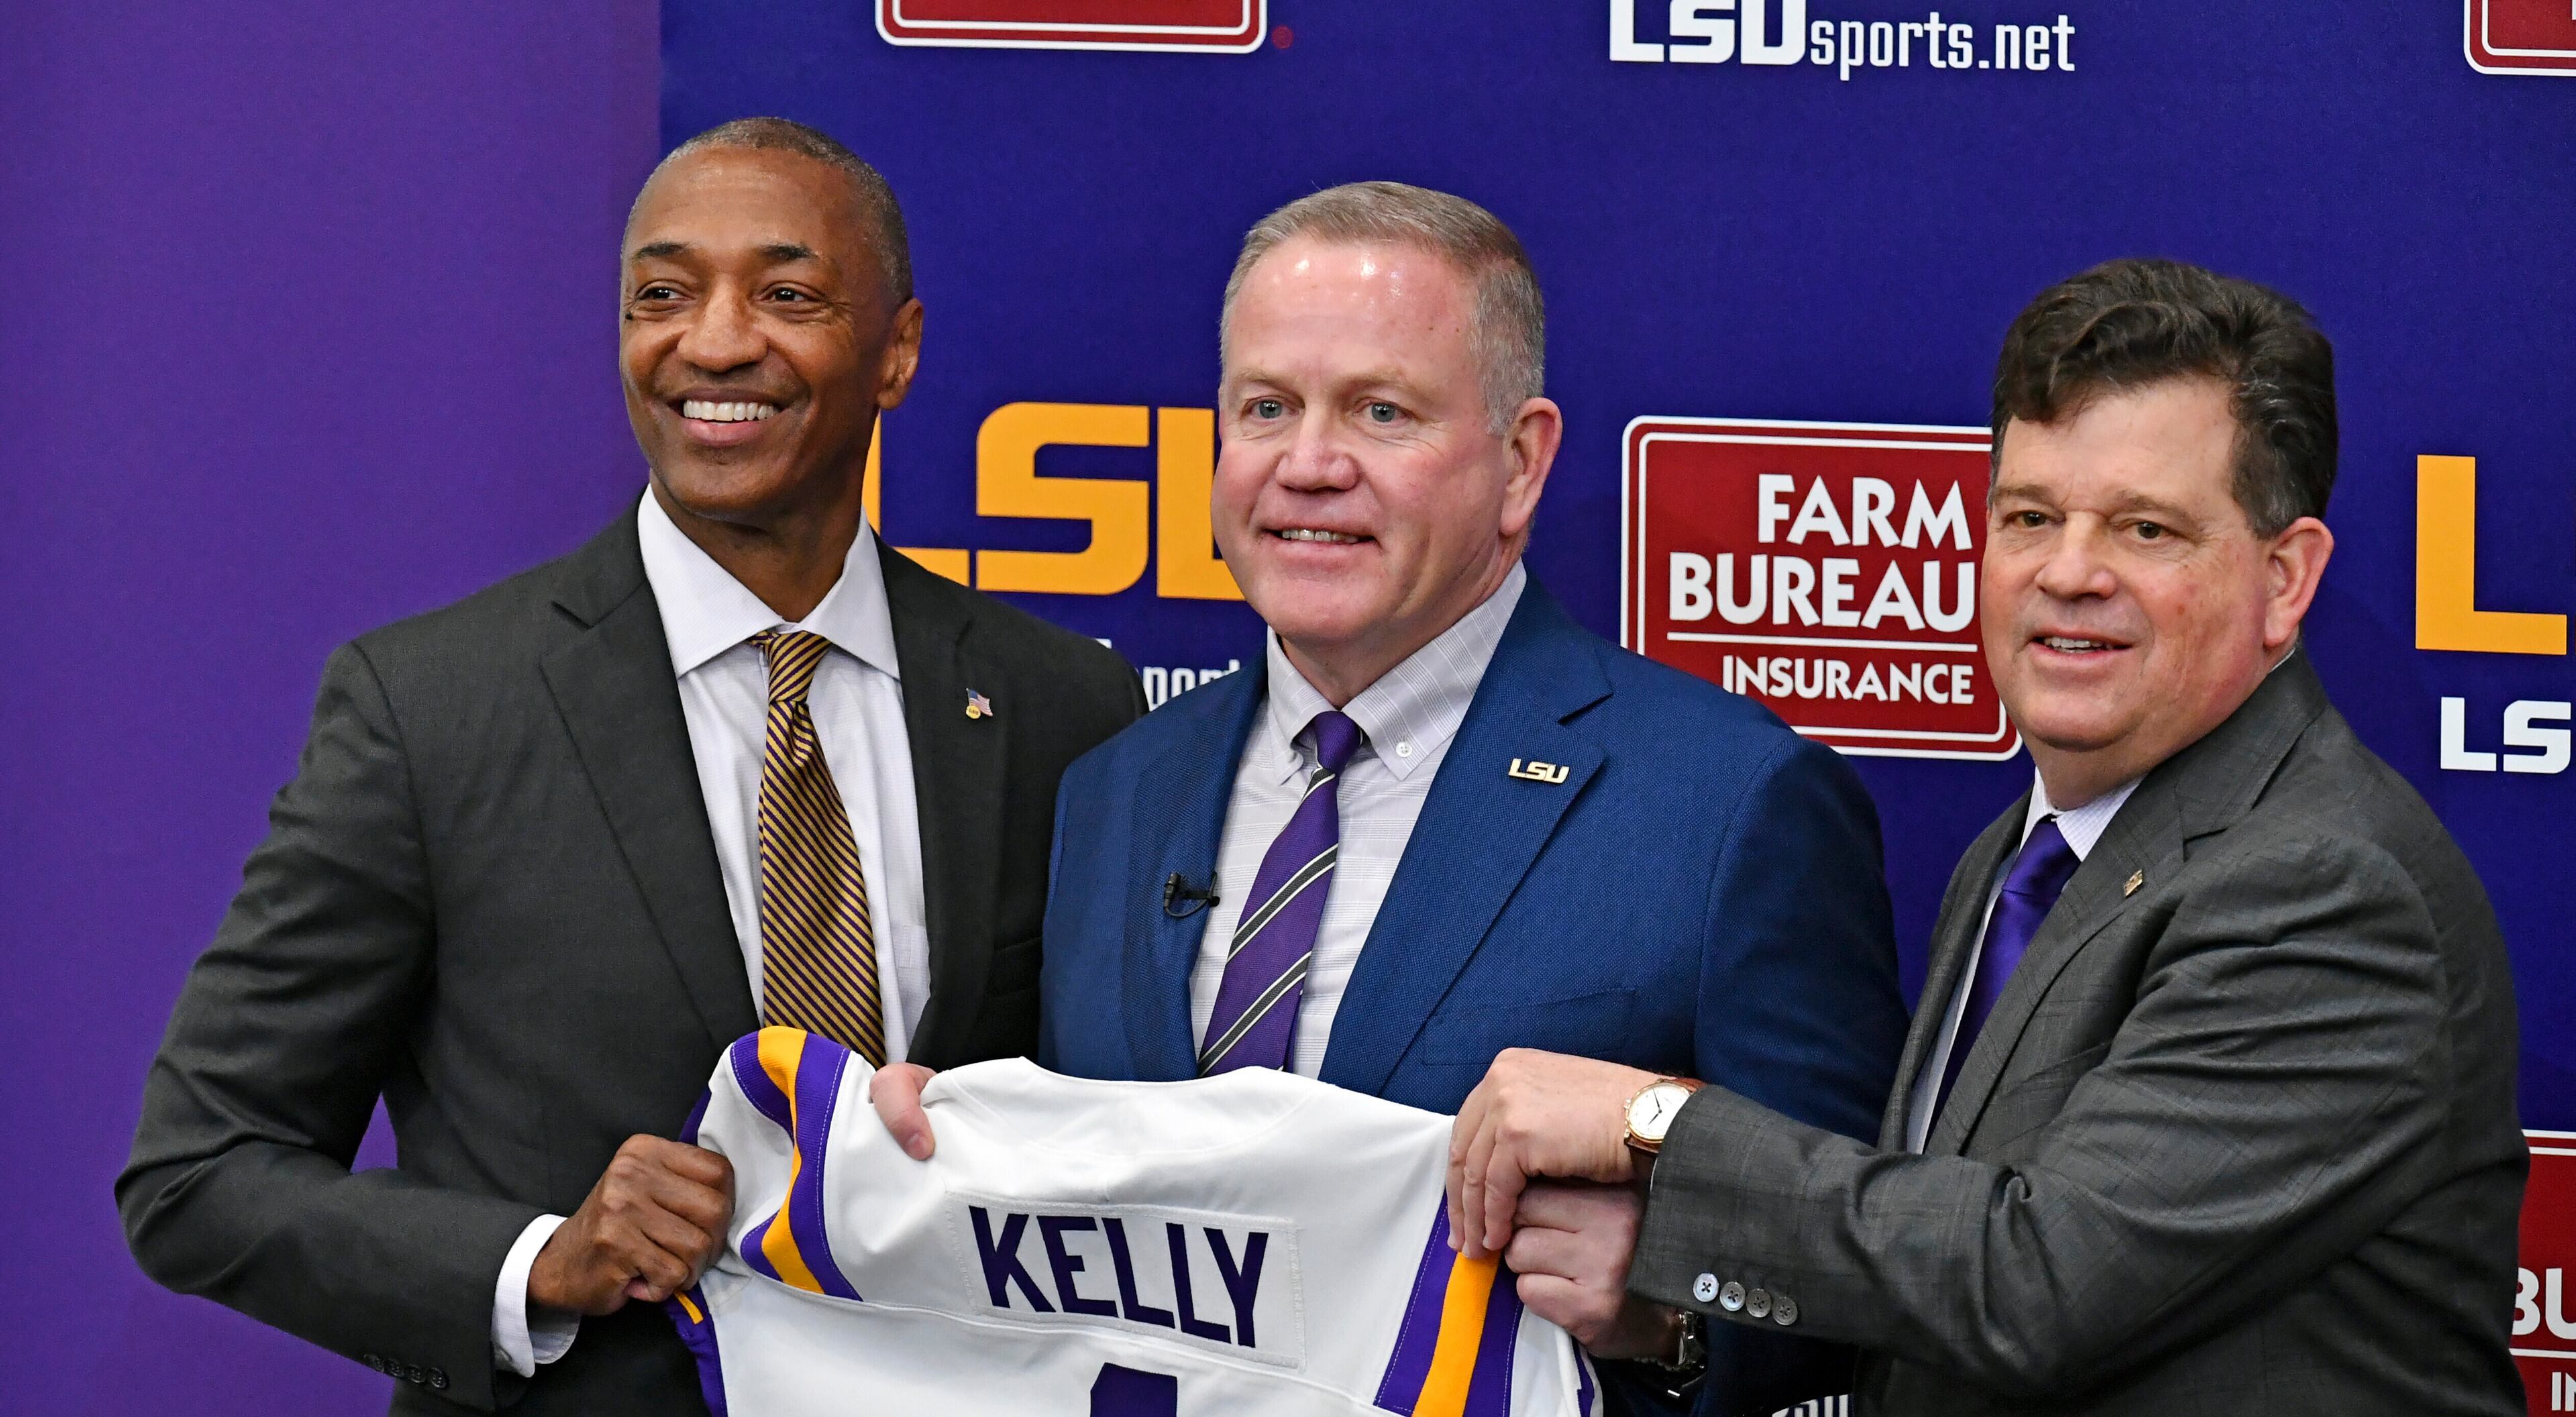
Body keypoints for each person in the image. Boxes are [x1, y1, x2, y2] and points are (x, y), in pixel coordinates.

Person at [118, 117, 1142, 1414]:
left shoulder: (1065, 702)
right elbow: (199, 1172)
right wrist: (544, 1261)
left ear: (898, 350)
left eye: (787, 294)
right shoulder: (432, 709)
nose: (712, 342)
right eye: (663, 294)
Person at [868, 181, 1909, 1413]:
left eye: (1380, 411)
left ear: (1520, 465)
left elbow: (1862, 1284)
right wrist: (946, 1161)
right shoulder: (1116, 788)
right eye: (1266, 408)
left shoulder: (1730, 802)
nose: (1309, 466)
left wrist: (1670, 1313)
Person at [1444, 259, 2526, 1414]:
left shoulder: (2325, 885)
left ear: (2284, 578)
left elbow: (2033, 1281)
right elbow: (1937, 1292)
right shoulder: (2030, 850)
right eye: (2029, 517)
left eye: (2146, 529)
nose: (2068, 573)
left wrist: (1652, 1123)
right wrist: (1668, 1322)